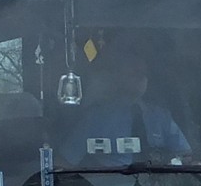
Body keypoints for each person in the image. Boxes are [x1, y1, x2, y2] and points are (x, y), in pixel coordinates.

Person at [59, 46, 190, 167]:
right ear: (117, 77)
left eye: (144, 74)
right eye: (134, 73)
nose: (140, 78)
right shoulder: (95, 118)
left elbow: (186, 156)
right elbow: (65, 162)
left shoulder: (161, 118)